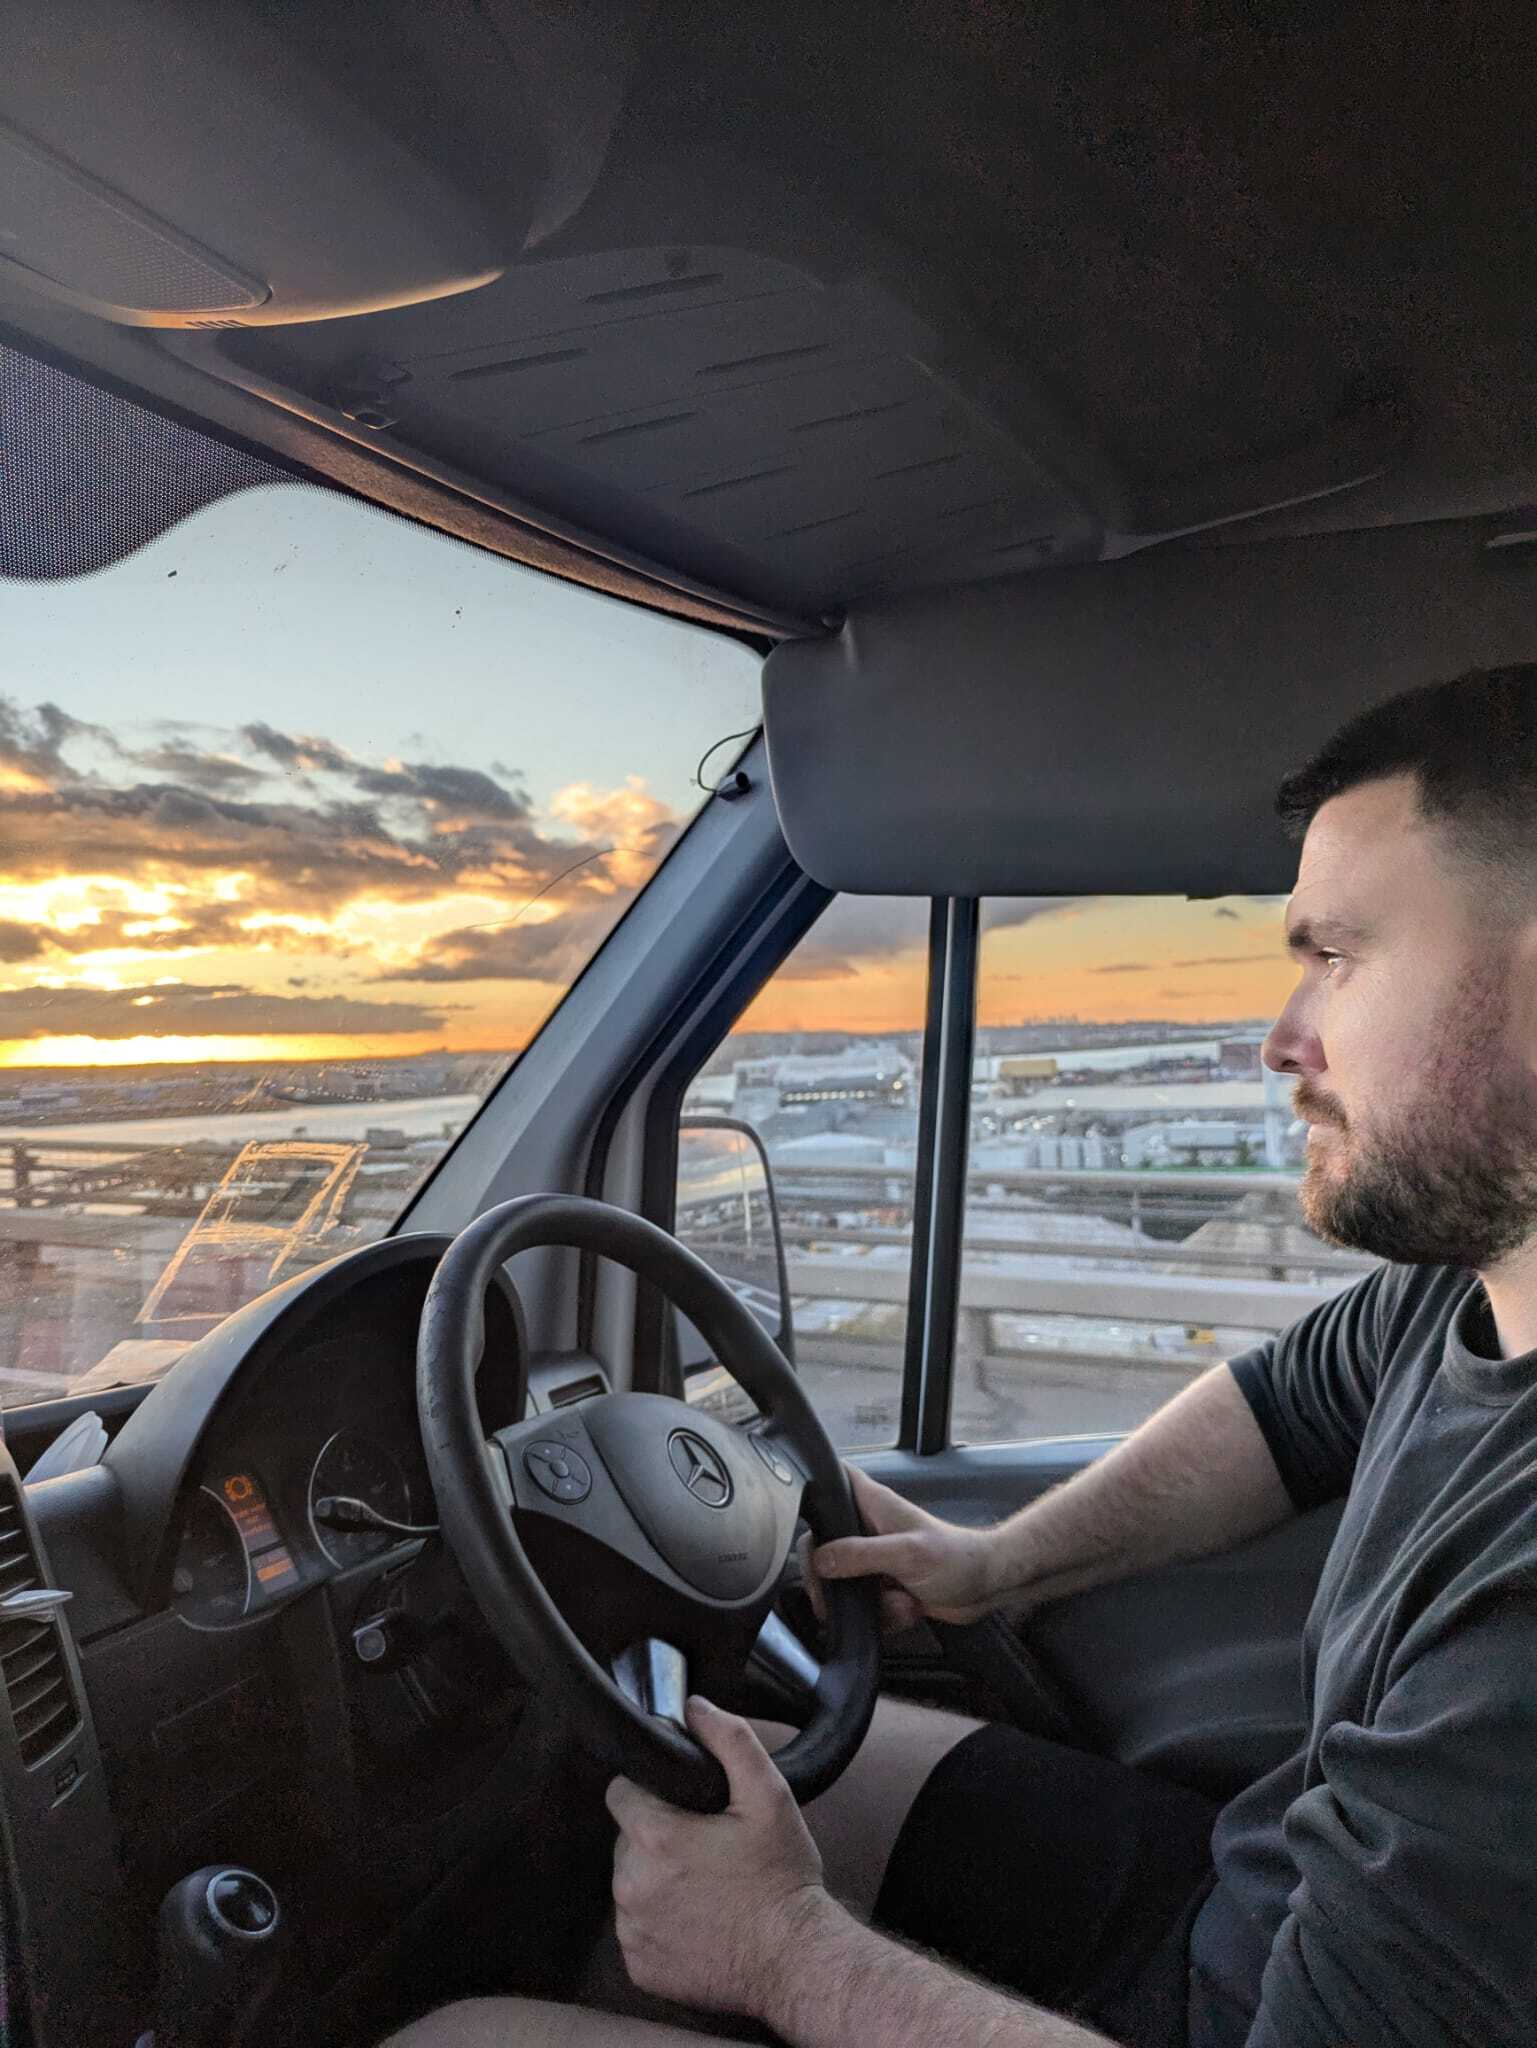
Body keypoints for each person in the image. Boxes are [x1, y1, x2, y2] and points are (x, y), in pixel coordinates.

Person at [388, 664, 1537, 2047]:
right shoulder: (1468, 1283)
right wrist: (992, 1566)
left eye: (1335, 957)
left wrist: (784, 1953)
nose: (1279, 1039)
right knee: (739, 1787)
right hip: (1245, 1903)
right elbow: (1284, 1411)